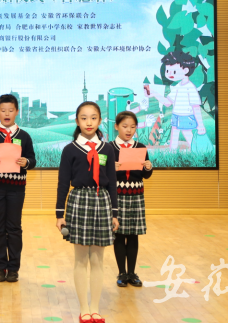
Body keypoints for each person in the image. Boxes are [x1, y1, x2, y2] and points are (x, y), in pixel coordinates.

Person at [56, 102, 119, 323]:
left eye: (93, 118)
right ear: (77, 121)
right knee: (81, 259)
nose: (89, 122)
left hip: (102, 202)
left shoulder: (107, 149)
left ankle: (95, 308)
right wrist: (59, 214)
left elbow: (112, 183)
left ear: (100, 121)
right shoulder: (70, 149)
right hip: (79, 201)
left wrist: (115, 213)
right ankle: (84, 308)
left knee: (98, 259)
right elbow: (63, 183)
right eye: (84, 118)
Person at [0, 94, 36, 283]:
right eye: (3, 110)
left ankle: (13, 269)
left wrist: (26, 162)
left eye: (11, 110)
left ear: (17, 111)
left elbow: (33, 160)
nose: (7, 114)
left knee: (14, 227)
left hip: (17, 189)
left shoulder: (24, 136)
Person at [109, 111, 153, 288]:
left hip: (136, 196)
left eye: (133, 127)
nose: (129, 130)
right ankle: (122, 273)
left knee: (133, 235)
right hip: (117, 196)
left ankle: (132, 273)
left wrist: (148, 168)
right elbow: (102, 174)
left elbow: (145, 175)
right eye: (125, 126)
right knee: (119, 235)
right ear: (116, 126)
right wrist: (110, 169)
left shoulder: (140, 147)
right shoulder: (109, 148)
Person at [147, 50, 206, 150]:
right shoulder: (178, 86)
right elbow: (167, 103)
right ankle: (172, 152)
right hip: (176, 115)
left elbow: (196, 107)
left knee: (187, 134)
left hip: (186, 116)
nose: (169, 74)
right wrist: (154, 93)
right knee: (174, 134)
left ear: (185, 70)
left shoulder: (190, 87)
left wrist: (200, 125)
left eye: (174, 72)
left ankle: (197, 151)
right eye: (167, 71)